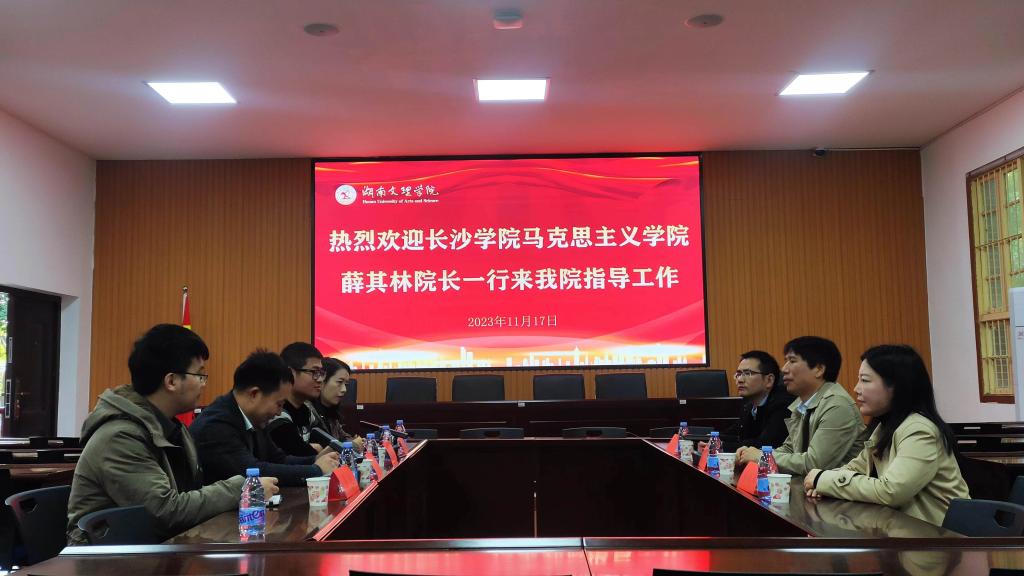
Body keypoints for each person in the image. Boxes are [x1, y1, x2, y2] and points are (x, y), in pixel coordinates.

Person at [66, 324, 278, 544]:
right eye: (199, 375)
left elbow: (188, 496)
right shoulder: (120, 437)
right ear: (171, 381)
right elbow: (164, 512)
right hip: (107, 556)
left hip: (155, 547)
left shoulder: (171, 427)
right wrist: (242, 489)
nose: (203, 384)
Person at [804, 345, 969, 526]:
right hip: (905, 531)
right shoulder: (885, 427)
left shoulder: (919, 429)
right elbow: (855, 467)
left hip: (941, 537)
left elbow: (891, 491)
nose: (856, 388)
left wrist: (822, 480)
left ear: (897, 386)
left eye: (865, 380)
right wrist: (823, 483)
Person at [190, 350, 339, 487]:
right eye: (279, 404)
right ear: (254, 394)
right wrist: (316, 470)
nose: (279, 412)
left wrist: (316, 459)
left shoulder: (254, 418)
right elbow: (252, 472)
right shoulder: (215, 425)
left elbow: (278, 459)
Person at [737, 336, 864, 475]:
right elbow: (789, 449)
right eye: (786, 361)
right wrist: (755, 454)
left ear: (818, 369)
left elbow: (814, 464)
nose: (784, 369)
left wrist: (761, 457)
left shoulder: (837, 406)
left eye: (792, 361)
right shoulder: (802, 404)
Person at [266, 342, 328, 457]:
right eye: (314, 372)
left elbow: (328, 444)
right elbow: (299, 454)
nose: (320, 380)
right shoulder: (277, 412)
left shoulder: (307, 410)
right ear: (290, 373)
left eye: (321, 373)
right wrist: (315, 450)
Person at [724, 350, 794, 450]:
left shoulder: (783, 404)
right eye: (738, 374)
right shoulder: (749, 402)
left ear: (769, 380)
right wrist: (711, 440)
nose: (740, 380)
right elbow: (736, 433)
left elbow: (766, 444)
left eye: (748, 373)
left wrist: (720, 446)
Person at [313, 357, 364, 449]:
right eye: (339, 382)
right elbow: (327, 447)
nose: (344, 390)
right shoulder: (309, 413)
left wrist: (357, 442)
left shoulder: (330, 410)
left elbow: (343, 437)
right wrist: (353, 444)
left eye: (346, 384)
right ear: (322, 380)